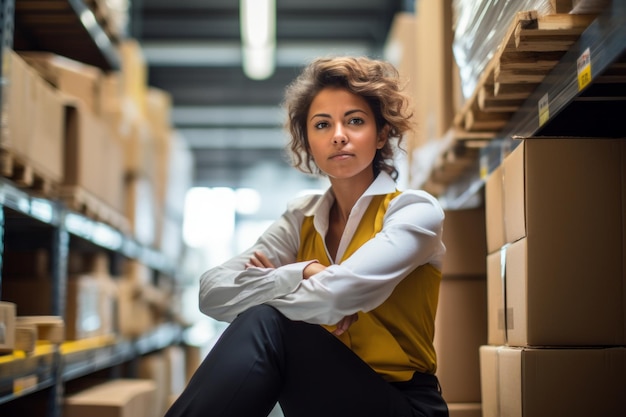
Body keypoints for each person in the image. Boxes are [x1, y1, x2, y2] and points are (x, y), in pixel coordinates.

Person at [165, 56, 448, 417]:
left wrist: (269, 286)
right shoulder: (300, 218)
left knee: (267, 321)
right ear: (309, 141)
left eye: (355, 121)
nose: (338, 135)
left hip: (403, 404)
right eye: (322, 125)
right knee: (267, 320)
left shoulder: (413, 211)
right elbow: (212, 293)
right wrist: (301, 273)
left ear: (380, 135)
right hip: (324, 395)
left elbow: (337, 295)